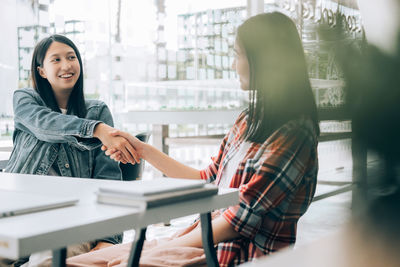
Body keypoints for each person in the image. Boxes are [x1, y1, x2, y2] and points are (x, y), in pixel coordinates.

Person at [68, 12, 320, 267]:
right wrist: (142, 150)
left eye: (238, 55)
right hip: (196, 242)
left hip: (232, 256)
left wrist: (162, 247)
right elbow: (207, 180)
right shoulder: (248, 120)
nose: (234, 65)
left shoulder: (294, 134)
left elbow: (238, 221)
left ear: (265, 60)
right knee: (77, 262)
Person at [0, 34, 138, 267]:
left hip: (74, 219)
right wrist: (95, 130)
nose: (66, 65)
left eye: (71, 57)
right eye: (56, 59)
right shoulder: (25, 99)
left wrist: (109, 238)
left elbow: (109, 178)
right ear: (41, 71)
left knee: (46, 262)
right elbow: (45, 124)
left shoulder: (97, 111)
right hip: (17, 212)